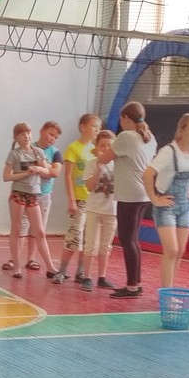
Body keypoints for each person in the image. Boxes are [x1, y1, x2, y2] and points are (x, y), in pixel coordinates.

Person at [98, 101, 157, 298]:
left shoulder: (126, 136)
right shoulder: (150, 138)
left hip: (130, 194)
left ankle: (132, 286)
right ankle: (136, 283)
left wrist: (97, 152)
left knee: (126, 239)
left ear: (125, 118)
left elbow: (105, 158)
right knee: (133, 239)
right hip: (143, 193)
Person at [143, 114, 189, 288]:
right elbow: (148, 174)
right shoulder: (169, 151)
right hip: (167, 206)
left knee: (180, 251)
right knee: (171, 250)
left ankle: (170, 288)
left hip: (185, 206)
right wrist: (154, 199)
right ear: (181, 130)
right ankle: (165, 291)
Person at [1, 121, 63, 272]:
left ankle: (50, 267)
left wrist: (39, 169)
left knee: (39, 231)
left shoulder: (38, 152)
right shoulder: (14, 154)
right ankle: (16, 265)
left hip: (34, 195)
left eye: (28, 133)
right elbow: (6, 177)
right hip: (19, 194)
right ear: (16, 137)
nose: (26, 136)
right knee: (17, 229)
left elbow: (49, 172)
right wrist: (25, 173)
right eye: (22, 134)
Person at [53, 114, 102, 285]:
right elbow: (68, 176)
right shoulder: (73, 148)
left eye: (99, 128)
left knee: (88, 238)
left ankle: (80, 272)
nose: (97, 130)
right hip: (80, 199)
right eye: (94, 126)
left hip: (94, 201)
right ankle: (62, 270)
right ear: (82, 127)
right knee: (74, 235)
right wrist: (71, 200)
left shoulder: (96, 149)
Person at [79, 130, 117, 292]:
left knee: (106, 246)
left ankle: (102, 277)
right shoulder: (91, 164)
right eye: (102, 145)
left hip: (112, 210)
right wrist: (99, 170)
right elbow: (90, 187)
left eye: (109, 146)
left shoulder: (118, 165)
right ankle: (87, 277)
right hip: (94, 209)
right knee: (90, 245)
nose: (106, 149)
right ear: (96, 146)